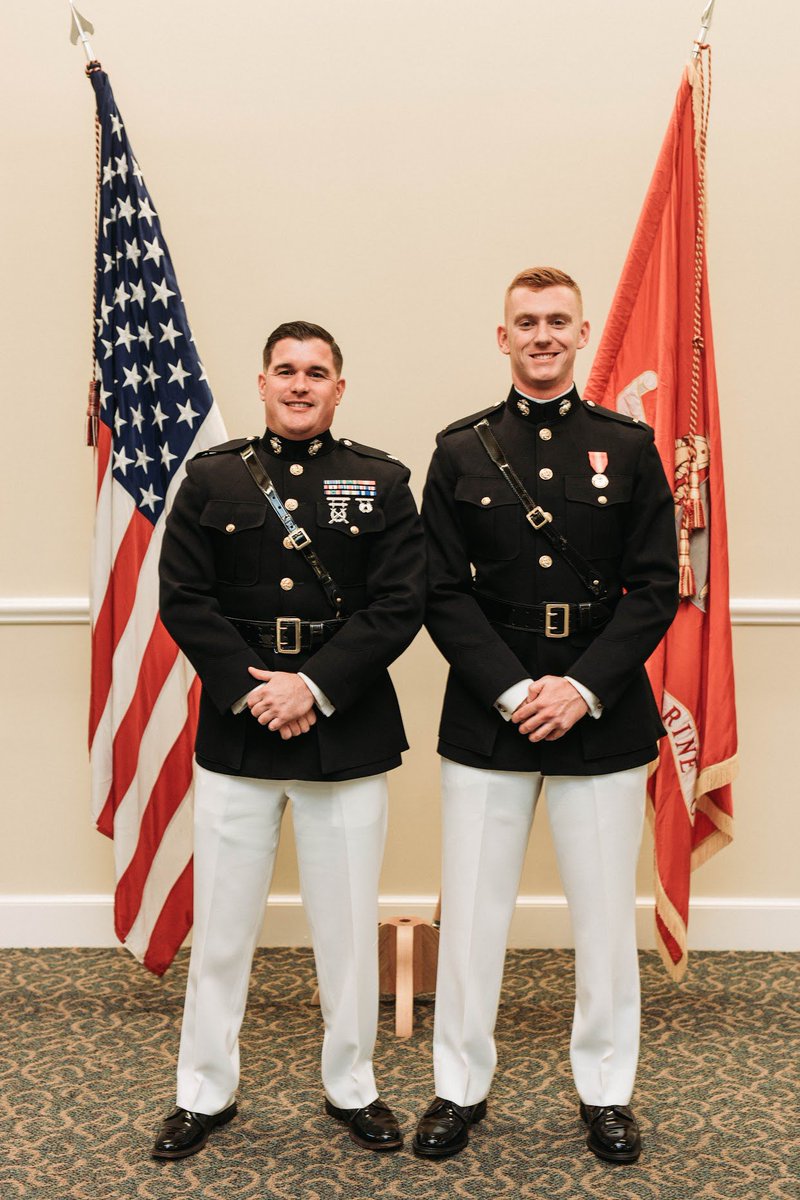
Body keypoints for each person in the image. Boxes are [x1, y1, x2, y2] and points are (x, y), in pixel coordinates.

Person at [413, 267, 679, 1165]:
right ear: (503, 337)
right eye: (524, 322)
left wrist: (582, 688)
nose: (541, 335)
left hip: (598, 708)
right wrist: (517, 689)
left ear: (581, 333)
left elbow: (653, 589)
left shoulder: (629, 448)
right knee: (475, 916)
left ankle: (606, 1091)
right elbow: (440, 592)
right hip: (493, 709)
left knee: (604, 916)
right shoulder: (460, 452)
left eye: (556, 321)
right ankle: (458, 1086)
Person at [153, 320, 425, 1158]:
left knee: (345, 923)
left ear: (340, 388)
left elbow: (400, 601)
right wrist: (255, 689)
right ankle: (203, 1091)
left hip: (343, 730)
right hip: (242, 730)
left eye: (317, 373)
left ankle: (352, 1086)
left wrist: (311, 686)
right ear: (263, 384)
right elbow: (184, 597)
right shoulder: (212, 480)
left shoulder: (379, 481)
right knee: (224, 927)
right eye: (285, 371)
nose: (300, 385)